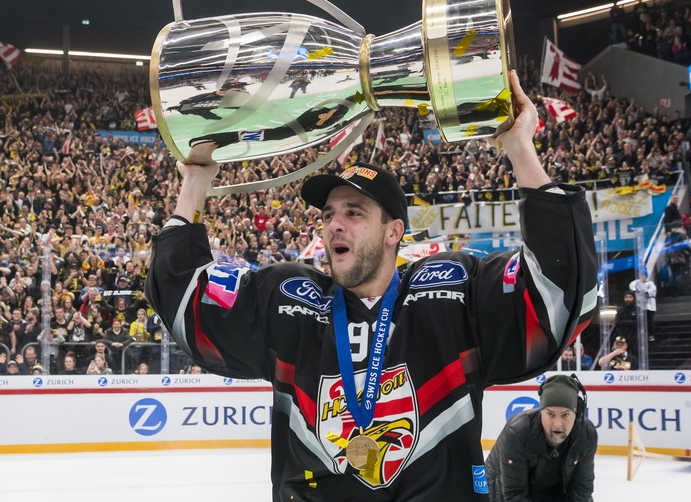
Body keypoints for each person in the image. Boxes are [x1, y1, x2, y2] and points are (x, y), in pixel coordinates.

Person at [146, 70, 598, 499]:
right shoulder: (289, 301)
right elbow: (186, 297)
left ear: (393, 232)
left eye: (354, 213)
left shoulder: (449, 294)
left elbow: (558, 292)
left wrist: (520, 148)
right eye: (328, 215)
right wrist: (196, 182)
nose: (333, 225)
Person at [485, 375, 597, 501]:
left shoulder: (586, 434)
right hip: (501, 489)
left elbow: (582, 489)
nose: (558, 424)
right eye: (550, 414)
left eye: (565, 415)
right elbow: (515, 494)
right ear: (541, 412)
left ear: (577, 413)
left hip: (549, 489)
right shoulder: (517, 433)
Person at [629, 268, 657, 342]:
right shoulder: (636, 283)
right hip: (640, 305)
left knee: (649, 321)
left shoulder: (651, 283)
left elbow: (650, 292)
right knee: (640, 321)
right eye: (641, 275)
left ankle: (651, 334)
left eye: (644, 275)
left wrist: (644, 291)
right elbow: (632, 288)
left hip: (649, 306)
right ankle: (642, 335)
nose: (642, 276)